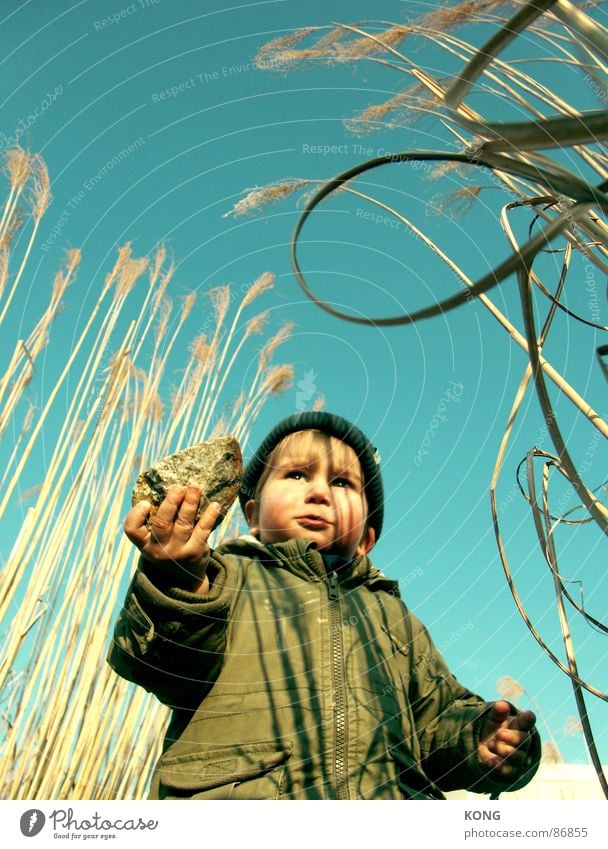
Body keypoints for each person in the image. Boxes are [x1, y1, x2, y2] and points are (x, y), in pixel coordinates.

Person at [109, 411, 540, 799]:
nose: (319, 492)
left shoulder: (396, 620)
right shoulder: (224, 580)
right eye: (296, 475)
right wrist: (176, 580)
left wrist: (480, 739)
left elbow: (437, 717)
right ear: (253, 514)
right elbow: (162, 663)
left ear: (367, 539)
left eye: (342, 483)